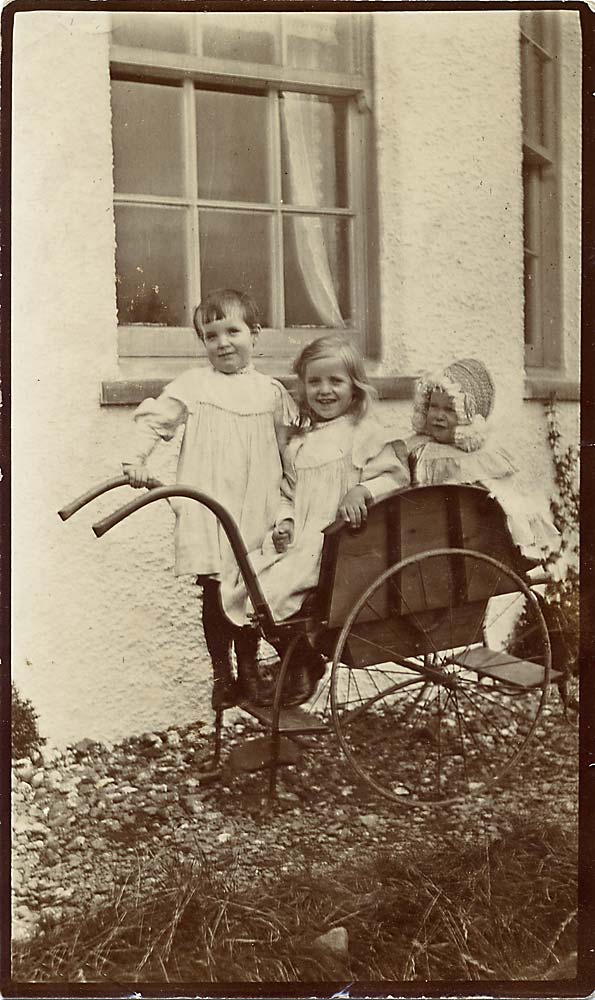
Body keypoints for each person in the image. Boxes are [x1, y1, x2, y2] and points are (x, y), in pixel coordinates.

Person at [121, 288, 297, 711]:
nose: (222, 343)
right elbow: (155, 421)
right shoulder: (195, 385)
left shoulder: (271, 393)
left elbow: (287, 452)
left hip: (256, 508)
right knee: (215, 593)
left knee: (252, 590)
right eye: (211, 336)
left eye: (232, 331)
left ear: (255, 335)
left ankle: (250, 669)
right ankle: (224, 674)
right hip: (210, 505)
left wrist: (288, 508)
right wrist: (135, 461)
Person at [222, 335, 410, 705]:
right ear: (303, 387)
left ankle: (303, 662)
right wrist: (285, 521)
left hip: (343, 547)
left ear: (354, 389)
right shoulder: (299, 442)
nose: (324, 391)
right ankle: (293, 659)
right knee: (245, 579)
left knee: (274, 592)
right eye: (315, 382)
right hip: (305, 540)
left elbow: (396, 477)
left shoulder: (365, 433)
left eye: (335, 381)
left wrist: (363, 491)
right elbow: (287, 491)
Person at [404, 356, 559, 562]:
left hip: (466, 543)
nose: (438, 416)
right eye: (433, 406)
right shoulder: (418, 447)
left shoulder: (479, 458)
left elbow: (506, 500)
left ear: (469, 416)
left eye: (450, 409)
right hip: (422, 535)